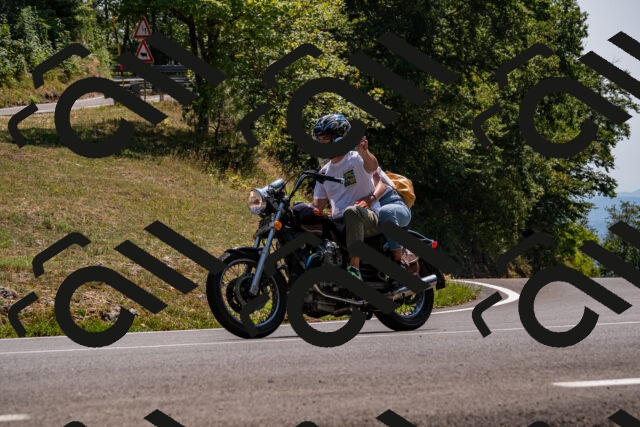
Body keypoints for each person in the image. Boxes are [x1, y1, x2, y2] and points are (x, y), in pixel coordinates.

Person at [310, 114, 380, 281]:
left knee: (351, 212)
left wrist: (365, 152)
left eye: (325, 140)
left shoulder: (355, 158)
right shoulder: (324, 172)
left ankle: (354, 269)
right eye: (320, 140)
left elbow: (372, 167)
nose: (321, 145)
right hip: (340, 222)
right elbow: (316, 206)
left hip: (367, 218)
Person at [356, 168, 411, 265]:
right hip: (370, 211)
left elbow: (380, 186)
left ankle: (399, 260)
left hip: (393, 205)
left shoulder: (362, 163)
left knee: (385, 212)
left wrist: (370, 200)